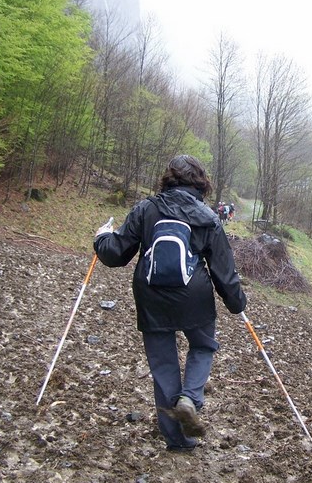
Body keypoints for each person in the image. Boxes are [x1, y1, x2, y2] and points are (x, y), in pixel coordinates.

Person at [93, 155, 247, 451]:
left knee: (164, 365)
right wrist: (237, 303)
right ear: (201, 182)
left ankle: (177, 441)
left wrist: (101, 238)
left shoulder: (146, 209)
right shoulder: (208, 217)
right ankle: (190, 398)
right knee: (202, 346)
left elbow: (116, 254)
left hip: (151, 296)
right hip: (195, 298)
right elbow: (224, 271)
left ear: (168, 179)